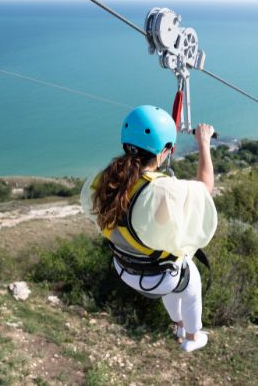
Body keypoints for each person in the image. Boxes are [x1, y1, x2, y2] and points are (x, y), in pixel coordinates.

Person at [80, 105, 217, 352]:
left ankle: (177, 324)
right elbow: (205, 188)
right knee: (190, 281)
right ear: (164, 151)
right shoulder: (161, 190)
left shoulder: (105, 180)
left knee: (173, 278)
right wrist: (203, 143)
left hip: (125, 268)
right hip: (157, 277)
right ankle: (193, 337)